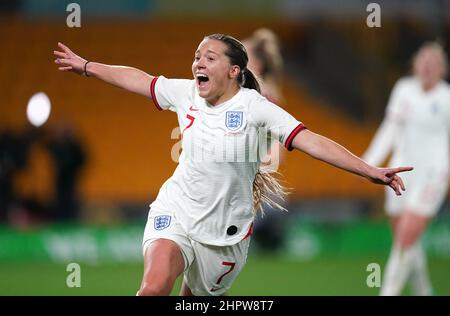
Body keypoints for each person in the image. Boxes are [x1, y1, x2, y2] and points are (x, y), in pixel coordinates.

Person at [54, 34, 412, 296]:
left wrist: (369, 170)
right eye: (197, 56)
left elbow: (311, 141)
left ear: (234, 70)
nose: (198, 63)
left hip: (225, 238)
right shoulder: (187, 93)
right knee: (152, 288)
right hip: (176, 209)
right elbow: (139, 79)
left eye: (209, 57)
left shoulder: (256, 108)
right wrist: (87, 67)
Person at [362, 42, 449, 296]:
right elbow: (390, 129)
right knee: (407, 240)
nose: (427, 66)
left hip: (433, 175)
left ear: (442, 69)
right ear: (415, 65)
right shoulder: (404, 89)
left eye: (433, 63)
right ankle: (424, 290)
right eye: (423, 61)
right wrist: (367, 162)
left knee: (405, 239)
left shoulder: (446, 98)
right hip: (399, 174)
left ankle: (388, 292)